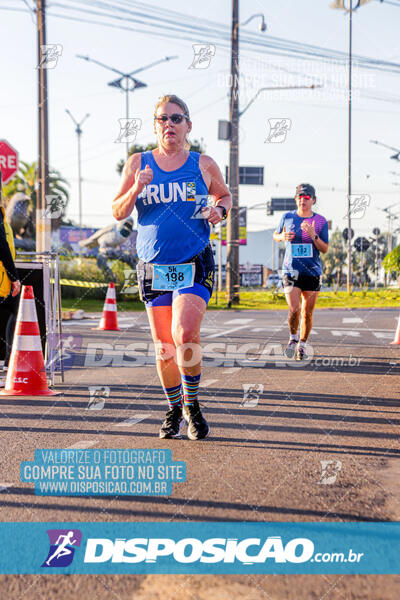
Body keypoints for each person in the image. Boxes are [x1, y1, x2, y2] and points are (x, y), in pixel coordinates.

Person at [112, 94, 232, 440]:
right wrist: (137, 186)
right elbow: (119, 211)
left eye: (176, 119)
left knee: (184, 334)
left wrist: (219, 211)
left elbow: (224, 196)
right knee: (164, 346)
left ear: (188, 126)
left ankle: (193, 408)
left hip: (193, 260)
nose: (170, 125)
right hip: (153, 266)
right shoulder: (138, 163)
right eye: (163, 119)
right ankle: (174, 410)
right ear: (155, 126)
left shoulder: (203, 164)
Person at [273, 183, 329, 361]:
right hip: (291, 270)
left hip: (312, 272)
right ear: (295, 199)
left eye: (306, 197)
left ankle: (302, 345)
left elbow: (325, 248)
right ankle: (292, 339)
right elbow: (276, 235)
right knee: (294, 308)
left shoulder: (320, 221)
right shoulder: (287, 217)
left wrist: (313, 235)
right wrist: (282, 237)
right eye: (299, 197)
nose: (302, 200)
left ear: (313, 200)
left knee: (308, 312)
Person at [0, 184, 21, 376]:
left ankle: (7, 360)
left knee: (13, 309)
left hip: (4, 277)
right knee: (14, 309)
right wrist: (14, 277)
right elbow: (2, 245)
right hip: (2, 278)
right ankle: (7, 362)